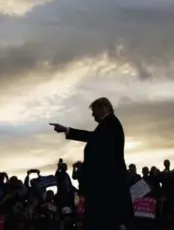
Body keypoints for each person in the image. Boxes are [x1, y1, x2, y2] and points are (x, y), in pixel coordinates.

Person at [49, 97, 134, 230]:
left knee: (104, 221)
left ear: (104, 107)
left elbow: (94, 139)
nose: (92, 114)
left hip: (107, 185)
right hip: (105, 184)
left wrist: (68, 130)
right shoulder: (108, 125)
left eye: (94, 110)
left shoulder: (110, 123)